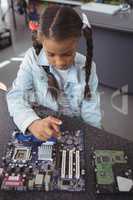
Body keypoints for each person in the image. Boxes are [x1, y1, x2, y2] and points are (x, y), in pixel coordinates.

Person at [7, 5, 101, 141]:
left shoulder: (88, 67)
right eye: (51, 54)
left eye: (67, 54)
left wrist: (95, 138)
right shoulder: (32, 59)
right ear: (41, 41)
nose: (60, 62)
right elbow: (16, 96)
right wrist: (31, 122)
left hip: (75, 130)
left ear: (76, 42)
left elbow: (91, 113)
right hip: (41, 124)